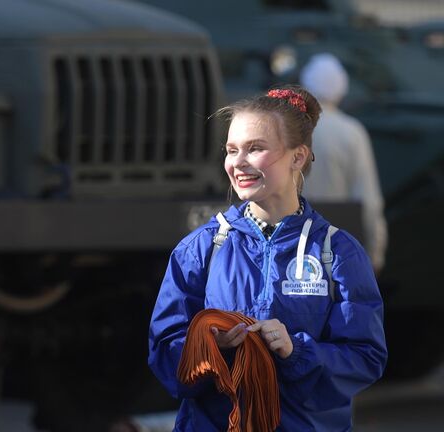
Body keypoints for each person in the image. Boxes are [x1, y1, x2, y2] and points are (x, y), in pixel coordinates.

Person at [148, 85, 387, 431]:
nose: (238, 162)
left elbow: (366, 357)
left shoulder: (338, 252)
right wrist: (212, 349)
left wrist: (297, 352)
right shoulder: (201, 248)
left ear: (297, 157)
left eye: (255, 148)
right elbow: (164, 353)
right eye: (232, 150)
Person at [300, 52, 388, 273]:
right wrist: (375, 251)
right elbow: (367, 197)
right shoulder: (352, 132)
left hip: (293, 239)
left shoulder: (289, 131)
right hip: (336, 246)